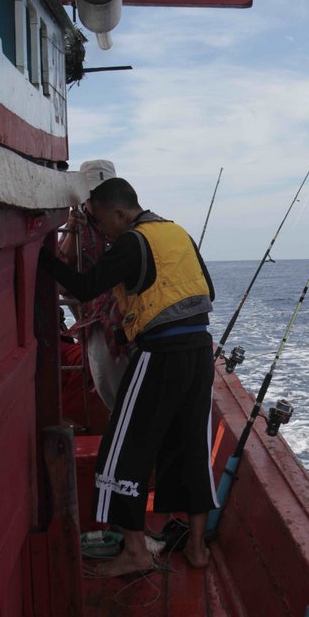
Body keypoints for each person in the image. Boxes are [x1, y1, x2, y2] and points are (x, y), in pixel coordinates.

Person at [40, 178, 218, 575]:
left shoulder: (131, 241)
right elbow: (206, 290)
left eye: (103, 221)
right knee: (191, 446)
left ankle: (136, 552)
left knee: (123, 451)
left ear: (120, 212)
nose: (102, 231)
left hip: (159, 355)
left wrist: (42, 256)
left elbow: (85, 289)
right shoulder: (177, 233)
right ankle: (197, 548)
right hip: (200, 352)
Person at [59, 160, 130, 412]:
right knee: (112, 395)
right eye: (93, 194)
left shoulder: (127, 224)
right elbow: (60, 282)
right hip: (98, 326)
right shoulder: (76, 227)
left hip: (131, 320)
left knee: (134, 389)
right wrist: (70, 234)